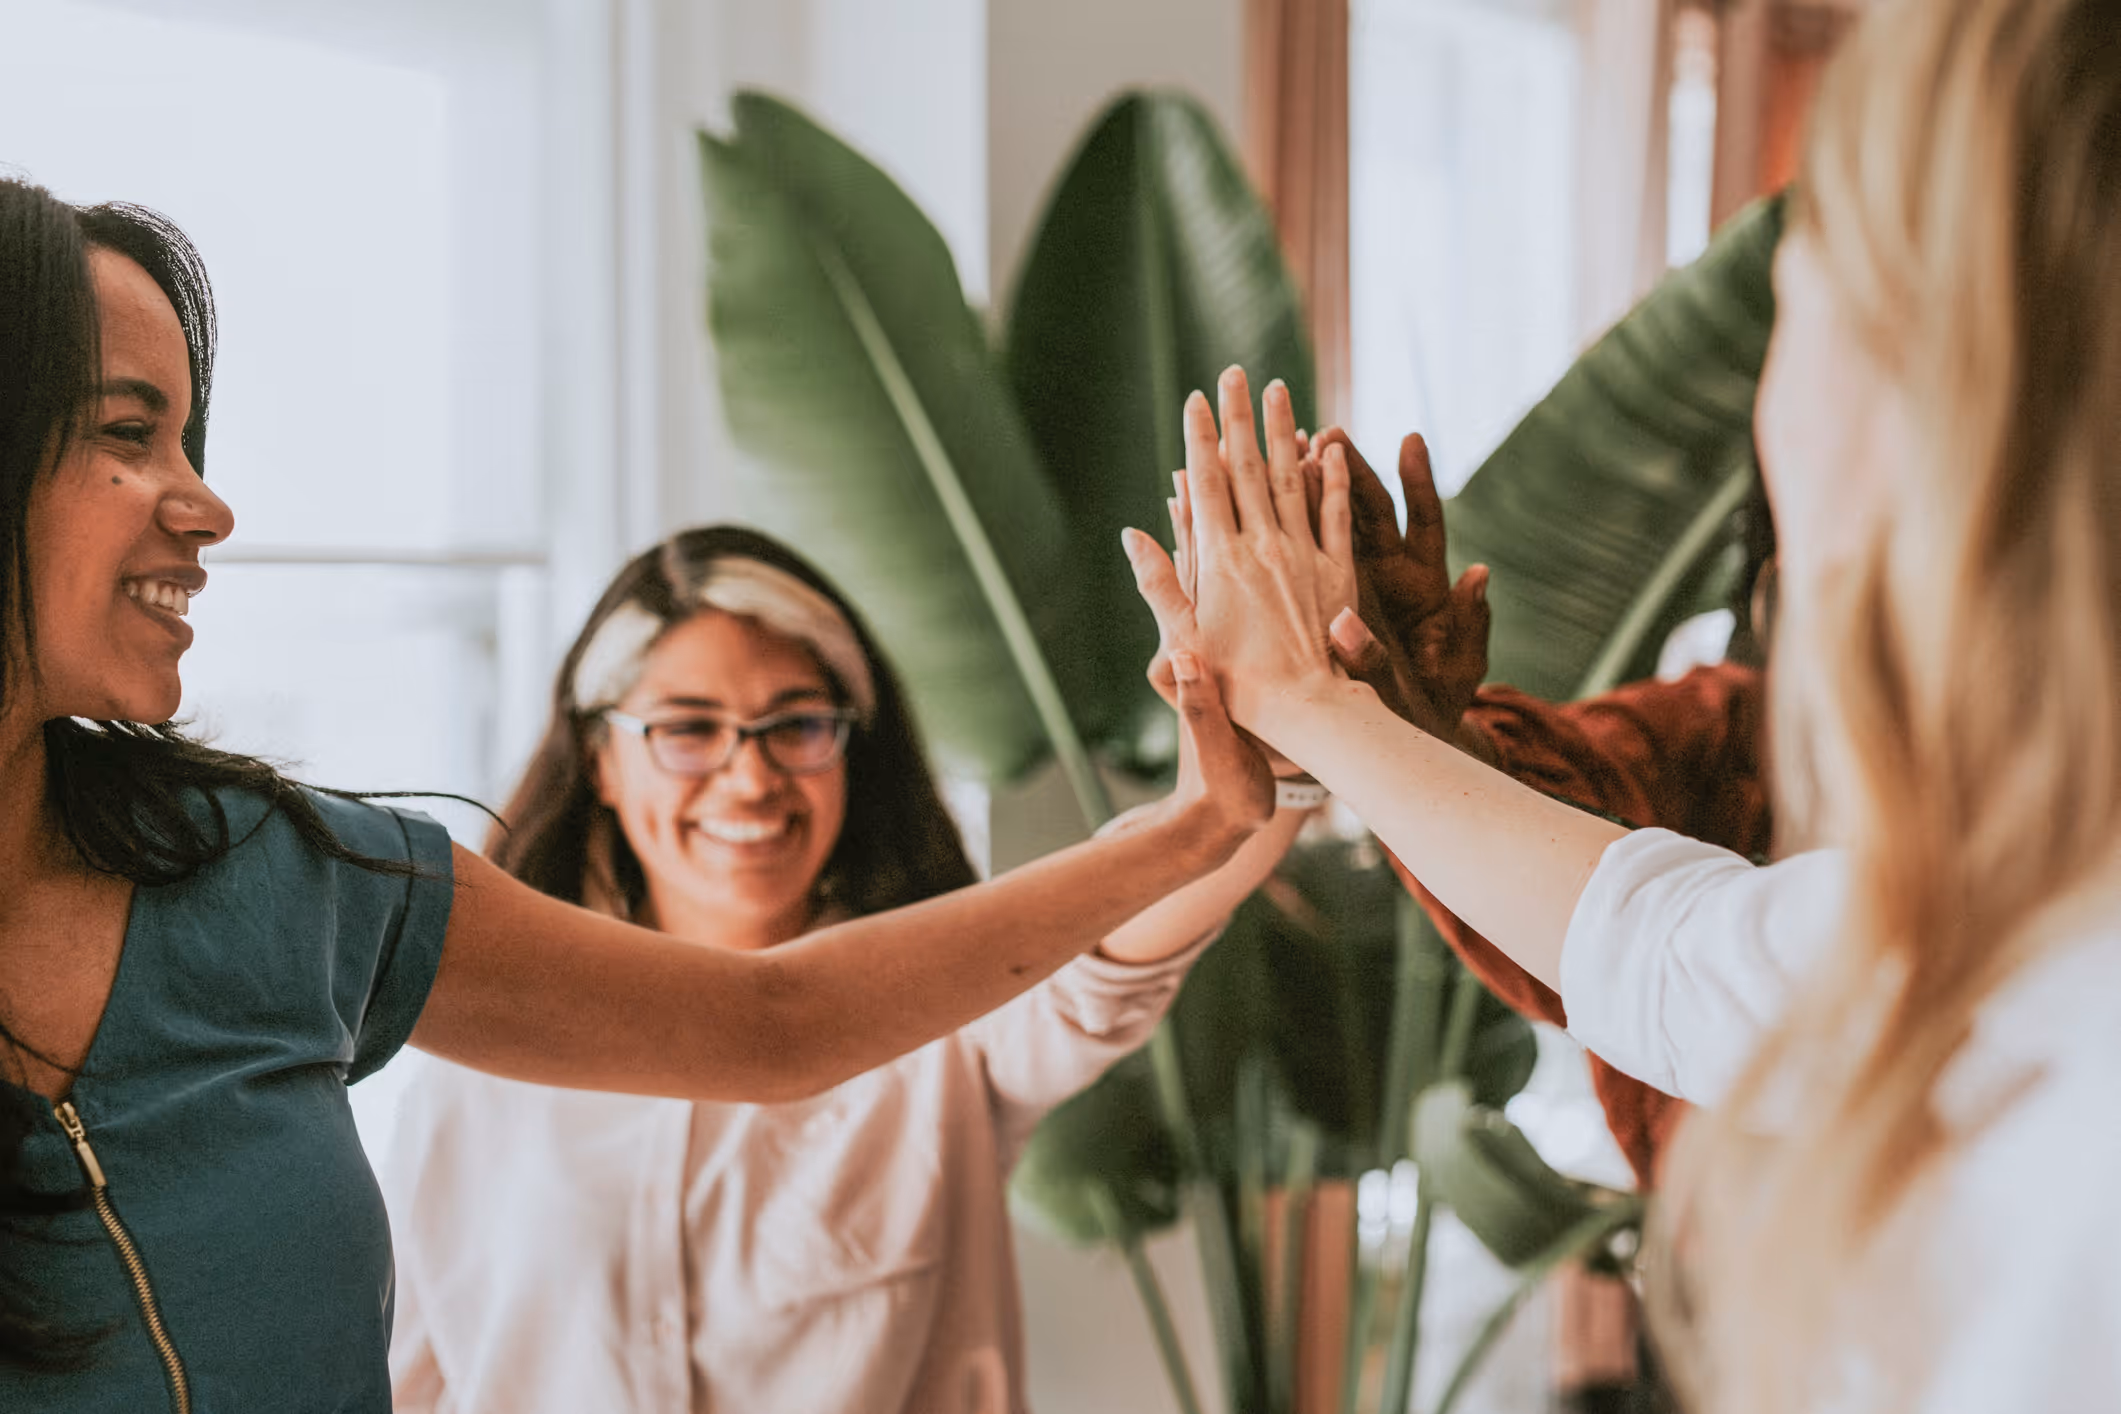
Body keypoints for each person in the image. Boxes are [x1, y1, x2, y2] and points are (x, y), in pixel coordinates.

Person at [0, 180, 1276, 1410]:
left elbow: (784, 1027)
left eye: (799, 724)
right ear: (599, 751)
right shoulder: (471, 1079)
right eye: (128, 433)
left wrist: (1220, 806)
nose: (210, 504)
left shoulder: (302, 890)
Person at [1130, 0, 2121, 1407]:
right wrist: (1360, 715)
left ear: (1946, 402)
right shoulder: (1987, 899)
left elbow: (1667, 950)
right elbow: (1656, 939)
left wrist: (1330, 708)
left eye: (1796, 310)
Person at [381, 525, 1315, 1413]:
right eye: (688, 729)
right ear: (602, 760)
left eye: (797, 726)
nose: (749, 780)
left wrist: (1275, 766)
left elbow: (1103, 968)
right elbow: (411, 1379)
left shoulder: (949, 1016)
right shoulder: (479, 1058)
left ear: (851, 750)